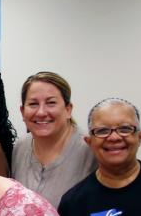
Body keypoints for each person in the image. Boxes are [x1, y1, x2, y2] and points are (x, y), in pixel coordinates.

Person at [12, 72, 96, 207]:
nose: (41, 112)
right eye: (33, 104)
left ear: (68, 109)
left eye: (51, 103)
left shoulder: (90, 148)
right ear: (22, 111)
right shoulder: (19, 147)